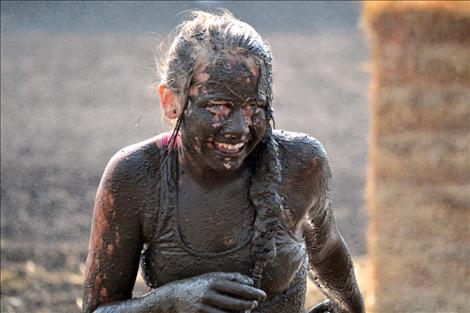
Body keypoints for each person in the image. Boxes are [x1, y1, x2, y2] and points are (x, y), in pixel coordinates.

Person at [82, 10, 364, 313]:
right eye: (218, 106)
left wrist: (349, 309)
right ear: (170, 102)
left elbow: (327, 253)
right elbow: (99, 309)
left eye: (254, 106)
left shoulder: (301, 164)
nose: (239, 129)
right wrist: (172, 301)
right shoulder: (137, 175)